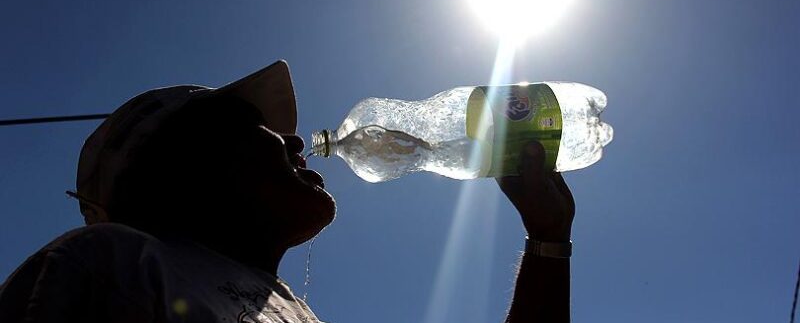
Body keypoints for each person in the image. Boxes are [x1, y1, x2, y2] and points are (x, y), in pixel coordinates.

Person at [0, 60, 575, 323]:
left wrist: (547, 241)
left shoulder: (293, 313)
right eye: (266, 132)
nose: (297, 143)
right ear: (192, 163)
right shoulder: (115, 266)